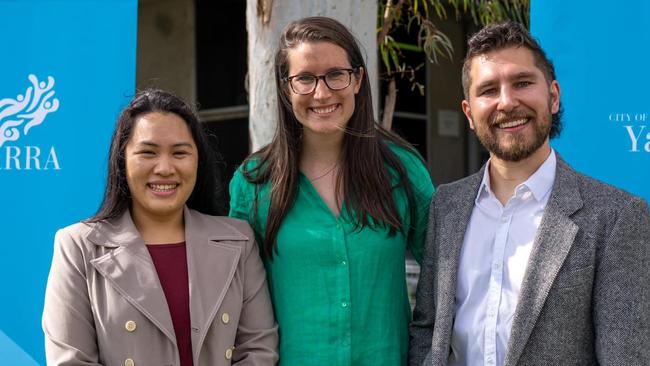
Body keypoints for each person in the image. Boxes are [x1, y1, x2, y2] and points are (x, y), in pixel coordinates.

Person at [409, 21, 650, 366]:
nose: (507, 102)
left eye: (522, 83)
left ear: (552, 97)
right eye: (489, 90)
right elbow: (428, 331)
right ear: (469, 113)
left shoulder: (615, 216)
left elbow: (625, 356)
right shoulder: (446, 205)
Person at [229, 16, 434, 366]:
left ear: (357, 79)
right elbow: (238, 300)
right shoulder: (253, 182)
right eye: (305, 79)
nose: (321, 93)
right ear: (285, 88)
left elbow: (445, 275)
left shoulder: (403, 170)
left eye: (336, 75)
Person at [42, 89, 278, 366]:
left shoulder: (238, 241)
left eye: (180, 153)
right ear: (122, 160)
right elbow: (71, 360)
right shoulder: (79, 246)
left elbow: (259, 350)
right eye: (147, 153)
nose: (165, 168)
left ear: (198, 161)